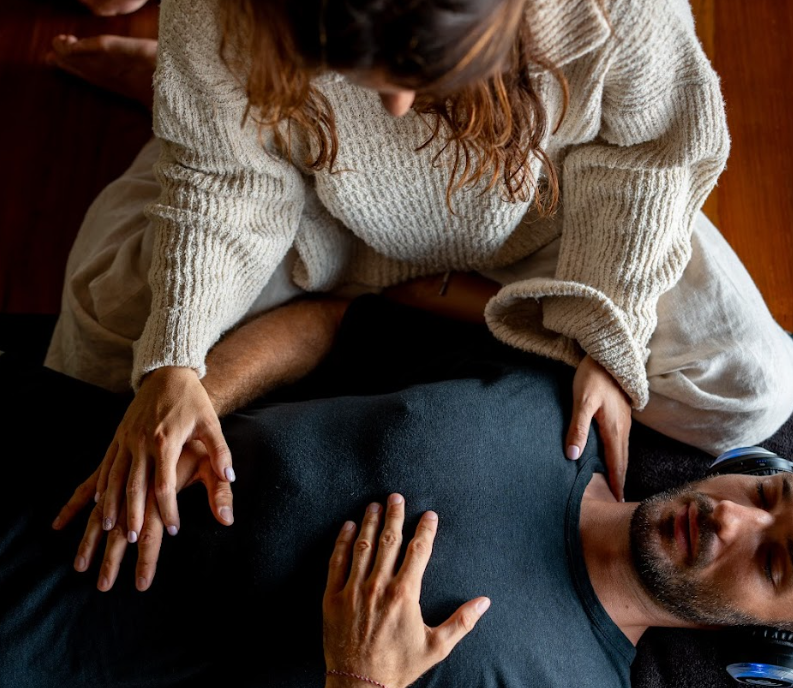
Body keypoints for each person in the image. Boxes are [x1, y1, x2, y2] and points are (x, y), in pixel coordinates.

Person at [44, 0, 793, 553]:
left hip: (552, 203)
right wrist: (174, 359)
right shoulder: (226, 11)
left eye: (421, 80)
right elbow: (222, 176)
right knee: (113, 355)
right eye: (360, 78)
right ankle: (187, 96)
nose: (398, 107)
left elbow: (647, 159)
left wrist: (606, 331)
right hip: (313, 202)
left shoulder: (618, 12)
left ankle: (416, 299)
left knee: (751, 389)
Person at [2, 297, 792, 687]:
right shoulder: (557, 401)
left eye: (774, 564)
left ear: (770, 635)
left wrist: (360, 683)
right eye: (771, 495)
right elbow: (333, 326)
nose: (730, 516)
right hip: (55, 448)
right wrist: (195, 403)